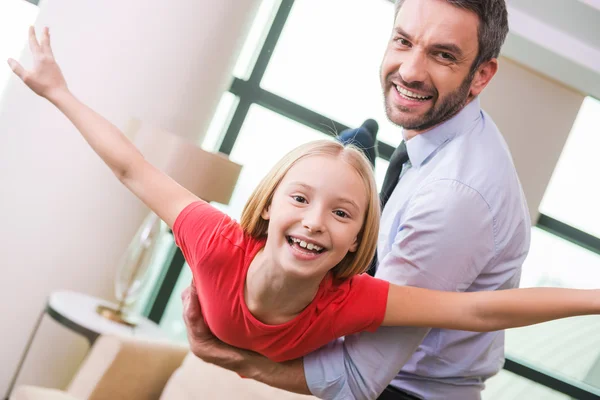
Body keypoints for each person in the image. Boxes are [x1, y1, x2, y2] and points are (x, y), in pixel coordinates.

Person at [9, 24, 600, 366]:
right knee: (342, 159)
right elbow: (133, 169)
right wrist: (57, 91)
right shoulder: (218, 243)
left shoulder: (350, 297)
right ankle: (356, 146)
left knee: (347, 173)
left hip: (343, 268)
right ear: (266, 207)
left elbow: (479, 308)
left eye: (341, 216)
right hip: (291, 223)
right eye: (298, 201)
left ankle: (358, 159)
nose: (316, 223)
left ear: (354, 246)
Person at [181, 0, 535, 399]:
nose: (410, 71)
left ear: (481, 75)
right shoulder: (437, 150)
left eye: (443, 55)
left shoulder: (454, 197)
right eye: (403, 41)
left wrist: (232, 357)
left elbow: (357, 378)